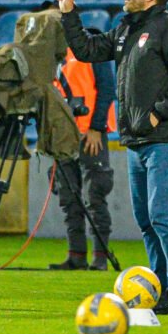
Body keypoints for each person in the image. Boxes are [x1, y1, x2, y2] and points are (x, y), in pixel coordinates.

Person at [55, 0, 168, 314]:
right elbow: (86, 49)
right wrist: (69, 13)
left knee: (161, 215)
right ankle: (162, 289)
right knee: (147, 220)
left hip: (164, 138)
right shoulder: (126, 29)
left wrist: (157, 113)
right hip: (137, 140)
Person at [49, 38, 116, 271]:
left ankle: (100, 258)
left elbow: (107, 89)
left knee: (94, 194)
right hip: (63, 134)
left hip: (89, 134)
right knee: (68, 197)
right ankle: (76, 255)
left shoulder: (91, 48)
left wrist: (96, 128)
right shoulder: (51, 52)